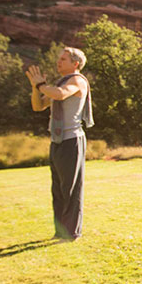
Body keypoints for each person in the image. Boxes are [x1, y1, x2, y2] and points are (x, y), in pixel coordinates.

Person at [25, 47, 93, 241]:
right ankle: (60, 232)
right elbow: (38, 106)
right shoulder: (58, 84)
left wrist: (41, 86)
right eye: (59, 59)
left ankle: (72, 233)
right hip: (57, 141)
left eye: (63, 59)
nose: (58, 62)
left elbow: (61, 94)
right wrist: (35, 87)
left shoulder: (77, 81)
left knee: (71, 189)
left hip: (72, 141)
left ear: (75, 64)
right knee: (58, 190)